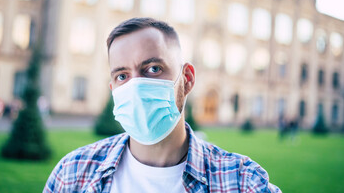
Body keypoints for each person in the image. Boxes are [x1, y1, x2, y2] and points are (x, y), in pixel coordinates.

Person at [44, 18, 281, 192]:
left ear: (187, 79)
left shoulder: (243, 182)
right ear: (113, 90)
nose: (136, 86)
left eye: (153, 69)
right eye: (122, 76)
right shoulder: (72, 175)